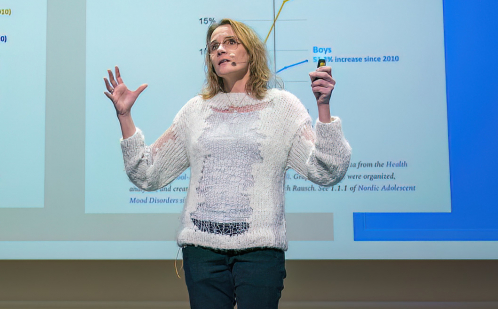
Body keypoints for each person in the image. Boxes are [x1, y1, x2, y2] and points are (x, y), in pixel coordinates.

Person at [103, 18, 351, 309]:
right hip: (202, 253)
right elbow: (147, 173)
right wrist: (124, 116)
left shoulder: (283, 107)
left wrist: (323, 107)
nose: (220, 49)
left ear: (252, 51)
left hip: (260, 252)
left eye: (231, 42)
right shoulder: (196, 110)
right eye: (213, 46)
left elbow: (327, 171)